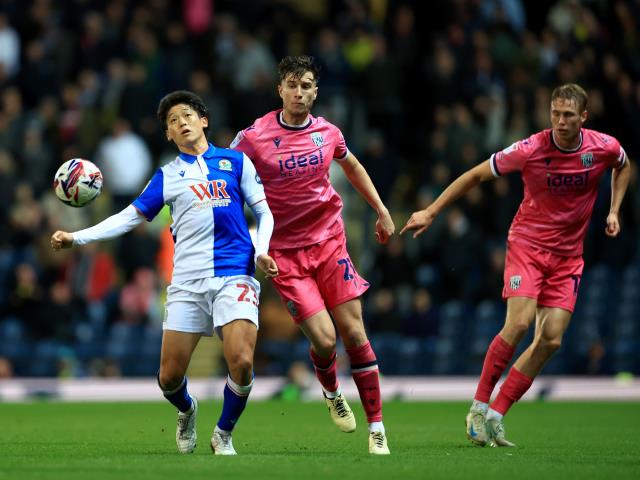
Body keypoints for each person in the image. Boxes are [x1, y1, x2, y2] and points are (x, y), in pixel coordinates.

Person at [401, 83, 631, 447]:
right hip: (528, 245)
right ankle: (477, 407)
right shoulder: (530, 149)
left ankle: (496, 415)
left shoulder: (603, 147)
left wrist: (615, 209)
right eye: (555, 113)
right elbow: (476, 175)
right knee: (520, 322)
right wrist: (432, 211)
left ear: (583, 117)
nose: (560, 121)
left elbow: (623, 165)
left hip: (568, 256)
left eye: (568, 115)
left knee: (551, 339)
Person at [51, 90, 278, 455]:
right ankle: (187, 410)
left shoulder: (236, 162)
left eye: (187, 115)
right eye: (173, 121)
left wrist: (263, 249)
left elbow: (265, 212)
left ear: (204, 120)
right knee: (169, 378)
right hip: (187, 280)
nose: (182, 122)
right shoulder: (167, 176)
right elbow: (129, 217)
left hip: (235, 271)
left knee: (243, 360)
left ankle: (223, 433)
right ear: (168, 136)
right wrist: (76, 237)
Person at [230, 55, 395, 455]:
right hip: (285, 253)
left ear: (315, 92)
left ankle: (377, 428)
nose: (299, 92)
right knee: (324, 340)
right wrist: (249, 240)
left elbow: (352, 166)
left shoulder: (328, 132)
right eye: (292, 84)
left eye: (306, 85)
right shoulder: (253, 137)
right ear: (280, 90)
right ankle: (332, 390)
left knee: (354, 332)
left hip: (329, 242)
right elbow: (224, 173)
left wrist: (381, 209)